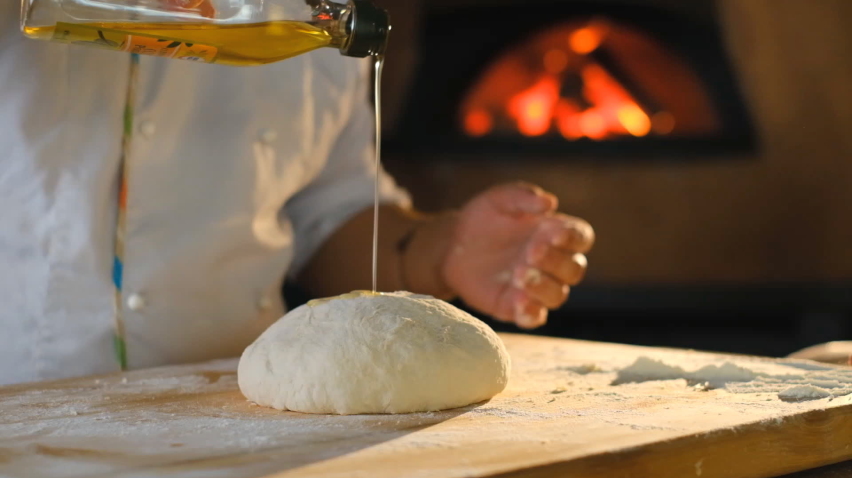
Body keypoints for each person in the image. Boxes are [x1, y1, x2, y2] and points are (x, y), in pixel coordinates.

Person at [0, 2, 594, 385]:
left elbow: (329, 210)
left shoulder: (314, 19)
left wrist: (441, 250)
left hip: (236, 421)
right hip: (20, 421)